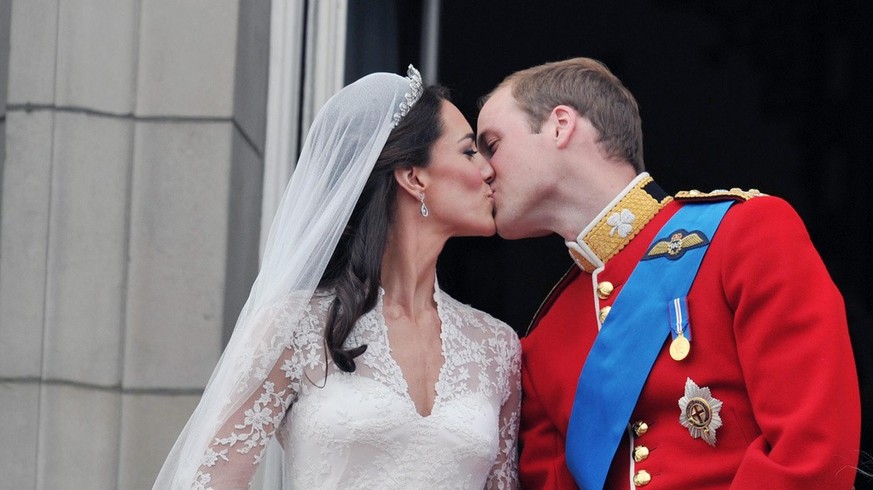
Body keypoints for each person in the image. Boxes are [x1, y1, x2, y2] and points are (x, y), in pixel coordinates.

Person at [476, 57, 860, 489]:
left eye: (491, 144)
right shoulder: (542, 342)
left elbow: (812, 451)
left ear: (560, 125)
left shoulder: (745, 234)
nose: (482, 171)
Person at [155, 66, 521, 489]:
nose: (489, 170)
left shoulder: (497, 348)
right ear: (414, 177)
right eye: (469, 152)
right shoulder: (294, 326)